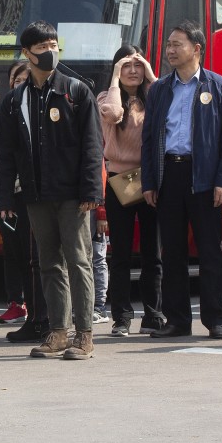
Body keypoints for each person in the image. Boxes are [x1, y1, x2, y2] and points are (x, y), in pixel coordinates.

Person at [0, 21, 103, 360]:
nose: (49, 52)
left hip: (73, 195)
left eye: (53, 45)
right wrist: (5, 197)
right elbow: (7, 153)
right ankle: (58, 332)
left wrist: (91, 190)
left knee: (79, 260)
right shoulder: (16, 100)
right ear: (26, 53)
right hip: (36, 194)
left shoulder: (76, 90)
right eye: (41, 47)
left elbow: (92, 145)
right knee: (49, 263)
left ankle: (84, 336)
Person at [142, 20, 222, 341]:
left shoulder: (218, 86)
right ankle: (177, 320)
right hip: (169, 176)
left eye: (176, 44)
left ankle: (216, 320)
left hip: (205, 178)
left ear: (196, 49)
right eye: (168, 44)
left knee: (210, 252)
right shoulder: (159, 89)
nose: (170, 50)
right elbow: (149, 138)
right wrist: (149, 182)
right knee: (172, 253)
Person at [97, 44, 164, 337]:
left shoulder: (156, 96)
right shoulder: (105, 97)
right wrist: (114, 78)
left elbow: (170, 99)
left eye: (138, 65)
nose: (133, 71)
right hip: (120, 179)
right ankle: (121, 317)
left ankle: (153, 314)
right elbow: (112, 113)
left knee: (153, 253)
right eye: (127, 65)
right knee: (121, 253)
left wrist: (151, 75)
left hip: (150, 179)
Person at [0, 60, 50, 342]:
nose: (21, 81)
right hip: (16, 193)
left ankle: (53, 320)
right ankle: (33, 316)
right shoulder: (6, 107)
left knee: (47, 258)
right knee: (22, 255)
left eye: (26, 76)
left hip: (48, 192)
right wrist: (4, 198)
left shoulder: (53, 101)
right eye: (16, 77)